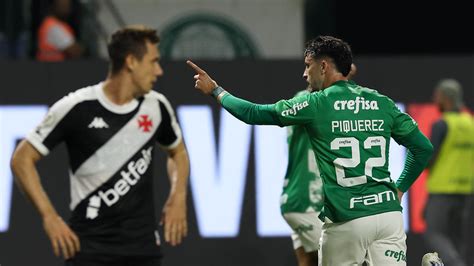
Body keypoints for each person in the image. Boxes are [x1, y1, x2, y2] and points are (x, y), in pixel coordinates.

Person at [187, 35, 433, 265]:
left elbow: (254, 113)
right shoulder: (381, 102)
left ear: (324, 66)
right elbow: (422, 148)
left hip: (347, 218)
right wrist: (399, 189)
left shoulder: (317, 103)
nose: (305, 74)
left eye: (308, 65)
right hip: (388, 215)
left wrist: (216, 91)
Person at [11, 25, 190, 266]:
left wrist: (178, 196)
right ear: (131, 62)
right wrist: (49, 217)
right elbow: (21, 159)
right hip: (89, 250)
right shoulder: (77, 107)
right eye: (153, 61)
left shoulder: (157, 106)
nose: (159, 71)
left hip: (143, 249)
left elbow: (177, 152)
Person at [424, 79, 474, 266]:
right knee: (457, 238)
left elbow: (430, 158)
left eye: (437, 96)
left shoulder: (442, 124)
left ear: (445, 98)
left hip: (442, 189)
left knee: (434, 233)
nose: (434, 100)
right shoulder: (470, 122)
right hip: (465, 190)